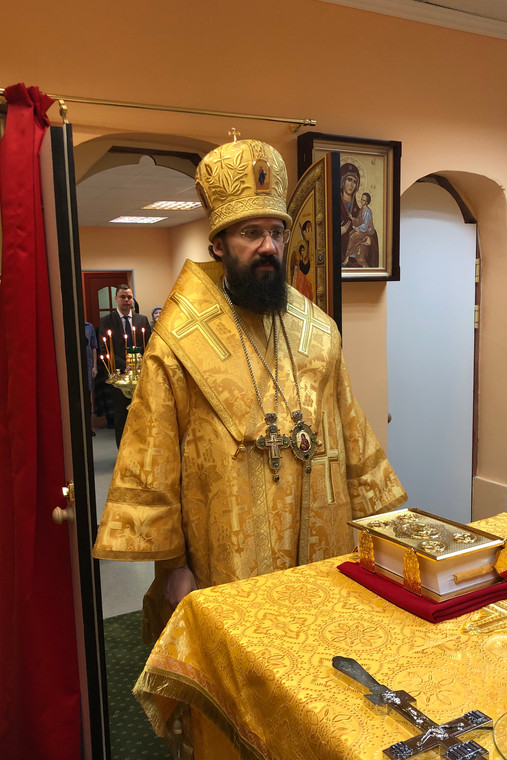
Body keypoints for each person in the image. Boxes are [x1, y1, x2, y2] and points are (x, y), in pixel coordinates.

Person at [92, 138, 406, 643]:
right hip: (227, 551)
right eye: (250, 233)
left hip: (319, 541)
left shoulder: (318, 331)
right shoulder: (178, 341)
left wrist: (381, 529)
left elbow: (351, 431)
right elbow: (154, 458)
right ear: (218, 244)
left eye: (276, 232)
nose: (268, 247)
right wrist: (173, 567)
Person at [98, 285, 151, 447]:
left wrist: (140, 364)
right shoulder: (107, 321)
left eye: (129, 297)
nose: (126, 300)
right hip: (119, 377)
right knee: (121, 417)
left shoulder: (142, 320)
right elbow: (105, 349)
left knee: (142, 414)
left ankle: (141, 450)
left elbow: (149, 346)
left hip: (141, 376)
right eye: (122, 297)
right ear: (116, 299)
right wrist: (127, 365)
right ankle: (123, 452)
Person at [344, 192, 376, 267]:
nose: (361, 201)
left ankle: (347, 258)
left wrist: (357, 228)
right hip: (362, 230)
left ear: (367, 202)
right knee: (350, 233)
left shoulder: (368, 212)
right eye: (361, 199)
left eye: (364, 200)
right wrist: (352, 218)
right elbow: (359, 221)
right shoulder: (362, 209)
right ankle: (349, 256)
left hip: (366, 232)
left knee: (353, 236)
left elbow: (365, 226)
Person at [84, 321, 98, 436]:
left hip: (88, 366)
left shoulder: (89, 327)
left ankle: (88, 427)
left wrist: (94, 366)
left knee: (87, 398)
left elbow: (94, 347)